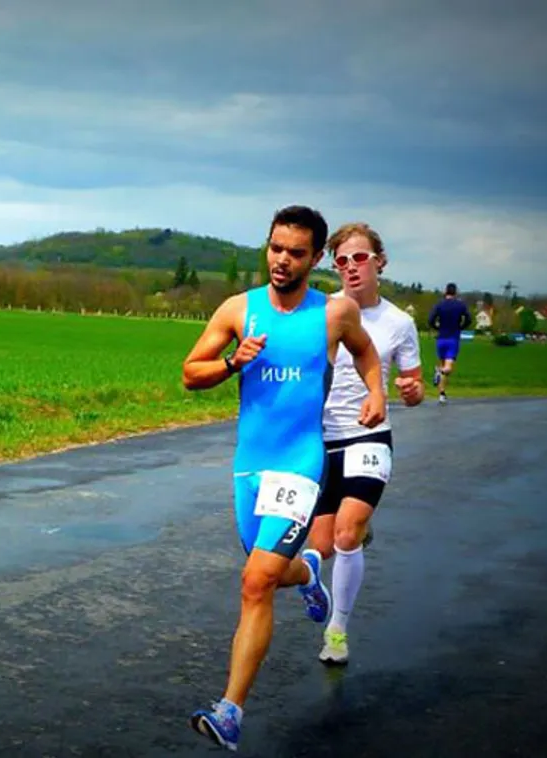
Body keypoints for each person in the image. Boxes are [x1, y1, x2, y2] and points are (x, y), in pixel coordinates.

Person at [181, 205, 386, 752]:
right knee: (271, 572)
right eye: (275, 248)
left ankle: (231, 711)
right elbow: (189, 372)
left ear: (315, 258)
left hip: (300, 462)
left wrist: (376, 392)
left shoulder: (334, 313)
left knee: (254, 582)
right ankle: (309, 572)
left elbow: (366, 353)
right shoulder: (238, 309)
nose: (282, 260)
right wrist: (232, 363)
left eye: (295, 252)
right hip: (249, 466)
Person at [310, 223, 425, 666]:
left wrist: (411, 393)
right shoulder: (323, 312)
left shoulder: (399, 323)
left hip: (369, 434)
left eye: (360, 257)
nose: (351, 267)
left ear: (380, 260)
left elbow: (411, 385)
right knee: (318, 547)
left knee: (346, 531)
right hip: (322, 438)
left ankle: (337, 630)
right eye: (341, 260)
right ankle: (354, 529)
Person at [427, 283, 471, 404]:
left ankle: (442, 394)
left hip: (441, 338)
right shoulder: (460, 305)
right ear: (455, 292)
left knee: (443, 365)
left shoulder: (439, 305)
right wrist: (460, 327)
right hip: (453, 338)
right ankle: (439, 372)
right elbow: (468, 319)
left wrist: (437, 328)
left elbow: (430, 320)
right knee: (448, 368)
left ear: (445, 292)